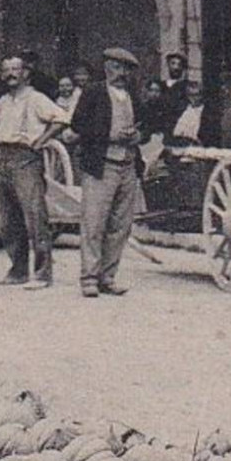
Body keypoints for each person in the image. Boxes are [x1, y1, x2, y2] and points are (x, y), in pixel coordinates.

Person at [70, 48, 146, 297]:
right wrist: (107, 134)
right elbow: (78, 125)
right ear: (106, 68)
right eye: (116, 67)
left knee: (120, 226)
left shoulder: (133, 95)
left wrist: (139, 136)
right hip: (101, 164)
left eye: (125, 69)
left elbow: (147, 123)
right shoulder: (94, 92)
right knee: (94, 222)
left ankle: (108, 276)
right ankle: (89, 278)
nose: (121, 73)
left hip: (128, 165)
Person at [0, 55, 71, 290]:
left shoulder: (36, 99)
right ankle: (17, 271)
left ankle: (43, 274)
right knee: (9, 220)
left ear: (26, 73)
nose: (10, 74)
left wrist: (42, 140)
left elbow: (62, 119)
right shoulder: (2, 102)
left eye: (15, 69)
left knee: (35, 218)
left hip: (27, 160)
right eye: (5, 70)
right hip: (5, 159)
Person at [166, 78, 207, 147]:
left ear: (201, 95)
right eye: (191, 95)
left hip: (196, 146)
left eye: (197, 95)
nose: (193, 98)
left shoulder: (205, 112)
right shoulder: (182, 110)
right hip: (179, 143)